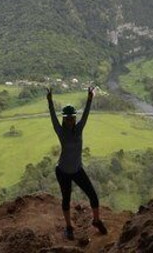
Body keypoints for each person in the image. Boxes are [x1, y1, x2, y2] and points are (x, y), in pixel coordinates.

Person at [47, 85, 108, 240]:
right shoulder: (60, 131)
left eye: (72, 117)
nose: (71, 120)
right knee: (66, 199)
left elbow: (86, 114)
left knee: (93, 196)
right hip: (62, 171)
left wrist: (90, 98)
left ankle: (96, 220)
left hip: (77, 169)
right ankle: (69, 227)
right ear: (64, 119)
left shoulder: (79, 128)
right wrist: (50, 101)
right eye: (68, 118)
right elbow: (52, 116)